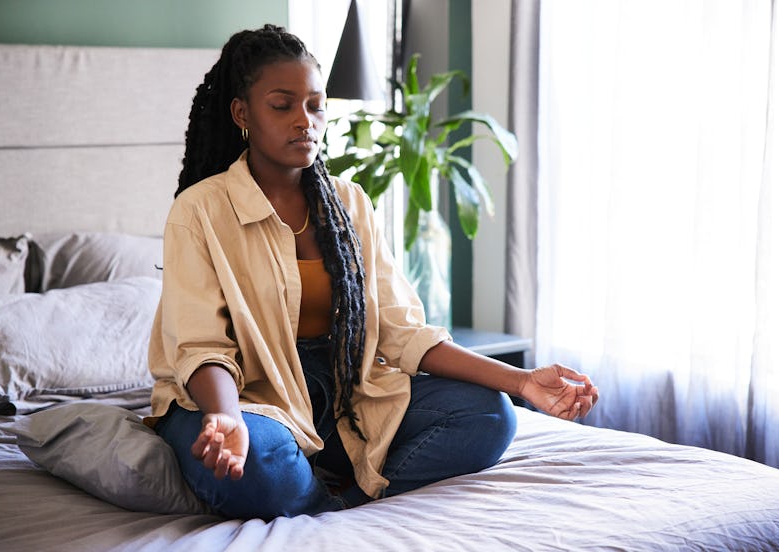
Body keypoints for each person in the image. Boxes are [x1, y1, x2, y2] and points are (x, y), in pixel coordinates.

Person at [146, 23, 599, 521]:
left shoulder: (349, 204)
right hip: (245, 398)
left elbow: (402, 332)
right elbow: (201, 347)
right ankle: (307, 485)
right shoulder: (200, 211)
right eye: (283, 105)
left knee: (489, 416)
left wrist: (522, 381)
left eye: (315, 106)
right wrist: (227, 418)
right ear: (242, 113)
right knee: (259, 459)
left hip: (342, 393)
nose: (305, 121)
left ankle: (343, 502)